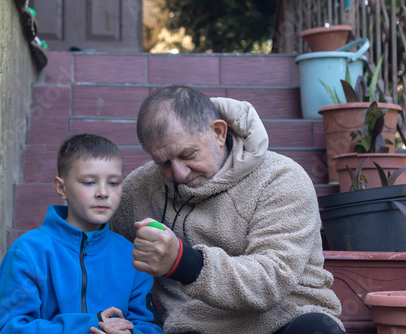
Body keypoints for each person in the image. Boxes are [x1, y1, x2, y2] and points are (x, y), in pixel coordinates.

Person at [111, 85, 346, 334]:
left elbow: (270, 282)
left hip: (284, 320)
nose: (179, 173)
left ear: (218, 132)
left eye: (188, 154)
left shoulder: (281, 178)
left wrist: (182, 262)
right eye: (164, 163)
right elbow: (87, 233)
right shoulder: (141, 186)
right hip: (194, 329)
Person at [0, 134, 163, 334]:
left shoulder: (132, 257)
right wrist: (87, 327)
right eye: (89, 182)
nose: (103, 192)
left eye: (114, 183)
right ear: (61, 187)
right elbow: (8, 328)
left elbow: (149, 326)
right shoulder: (28, 252)